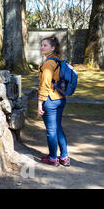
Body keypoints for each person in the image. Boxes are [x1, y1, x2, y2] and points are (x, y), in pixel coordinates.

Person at [37, 36, 70, 167]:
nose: (42, 47)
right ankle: (64, 157)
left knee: (51, 130)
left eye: (45, 45)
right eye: (41, 44)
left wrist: (40, 103)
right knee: (58, 128)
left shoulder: (48, 64)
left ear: (53, 48)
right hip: (60, 99)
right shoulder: (57, 62)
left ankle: (52, 158)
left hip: (50, 101)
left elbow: (45, 85)